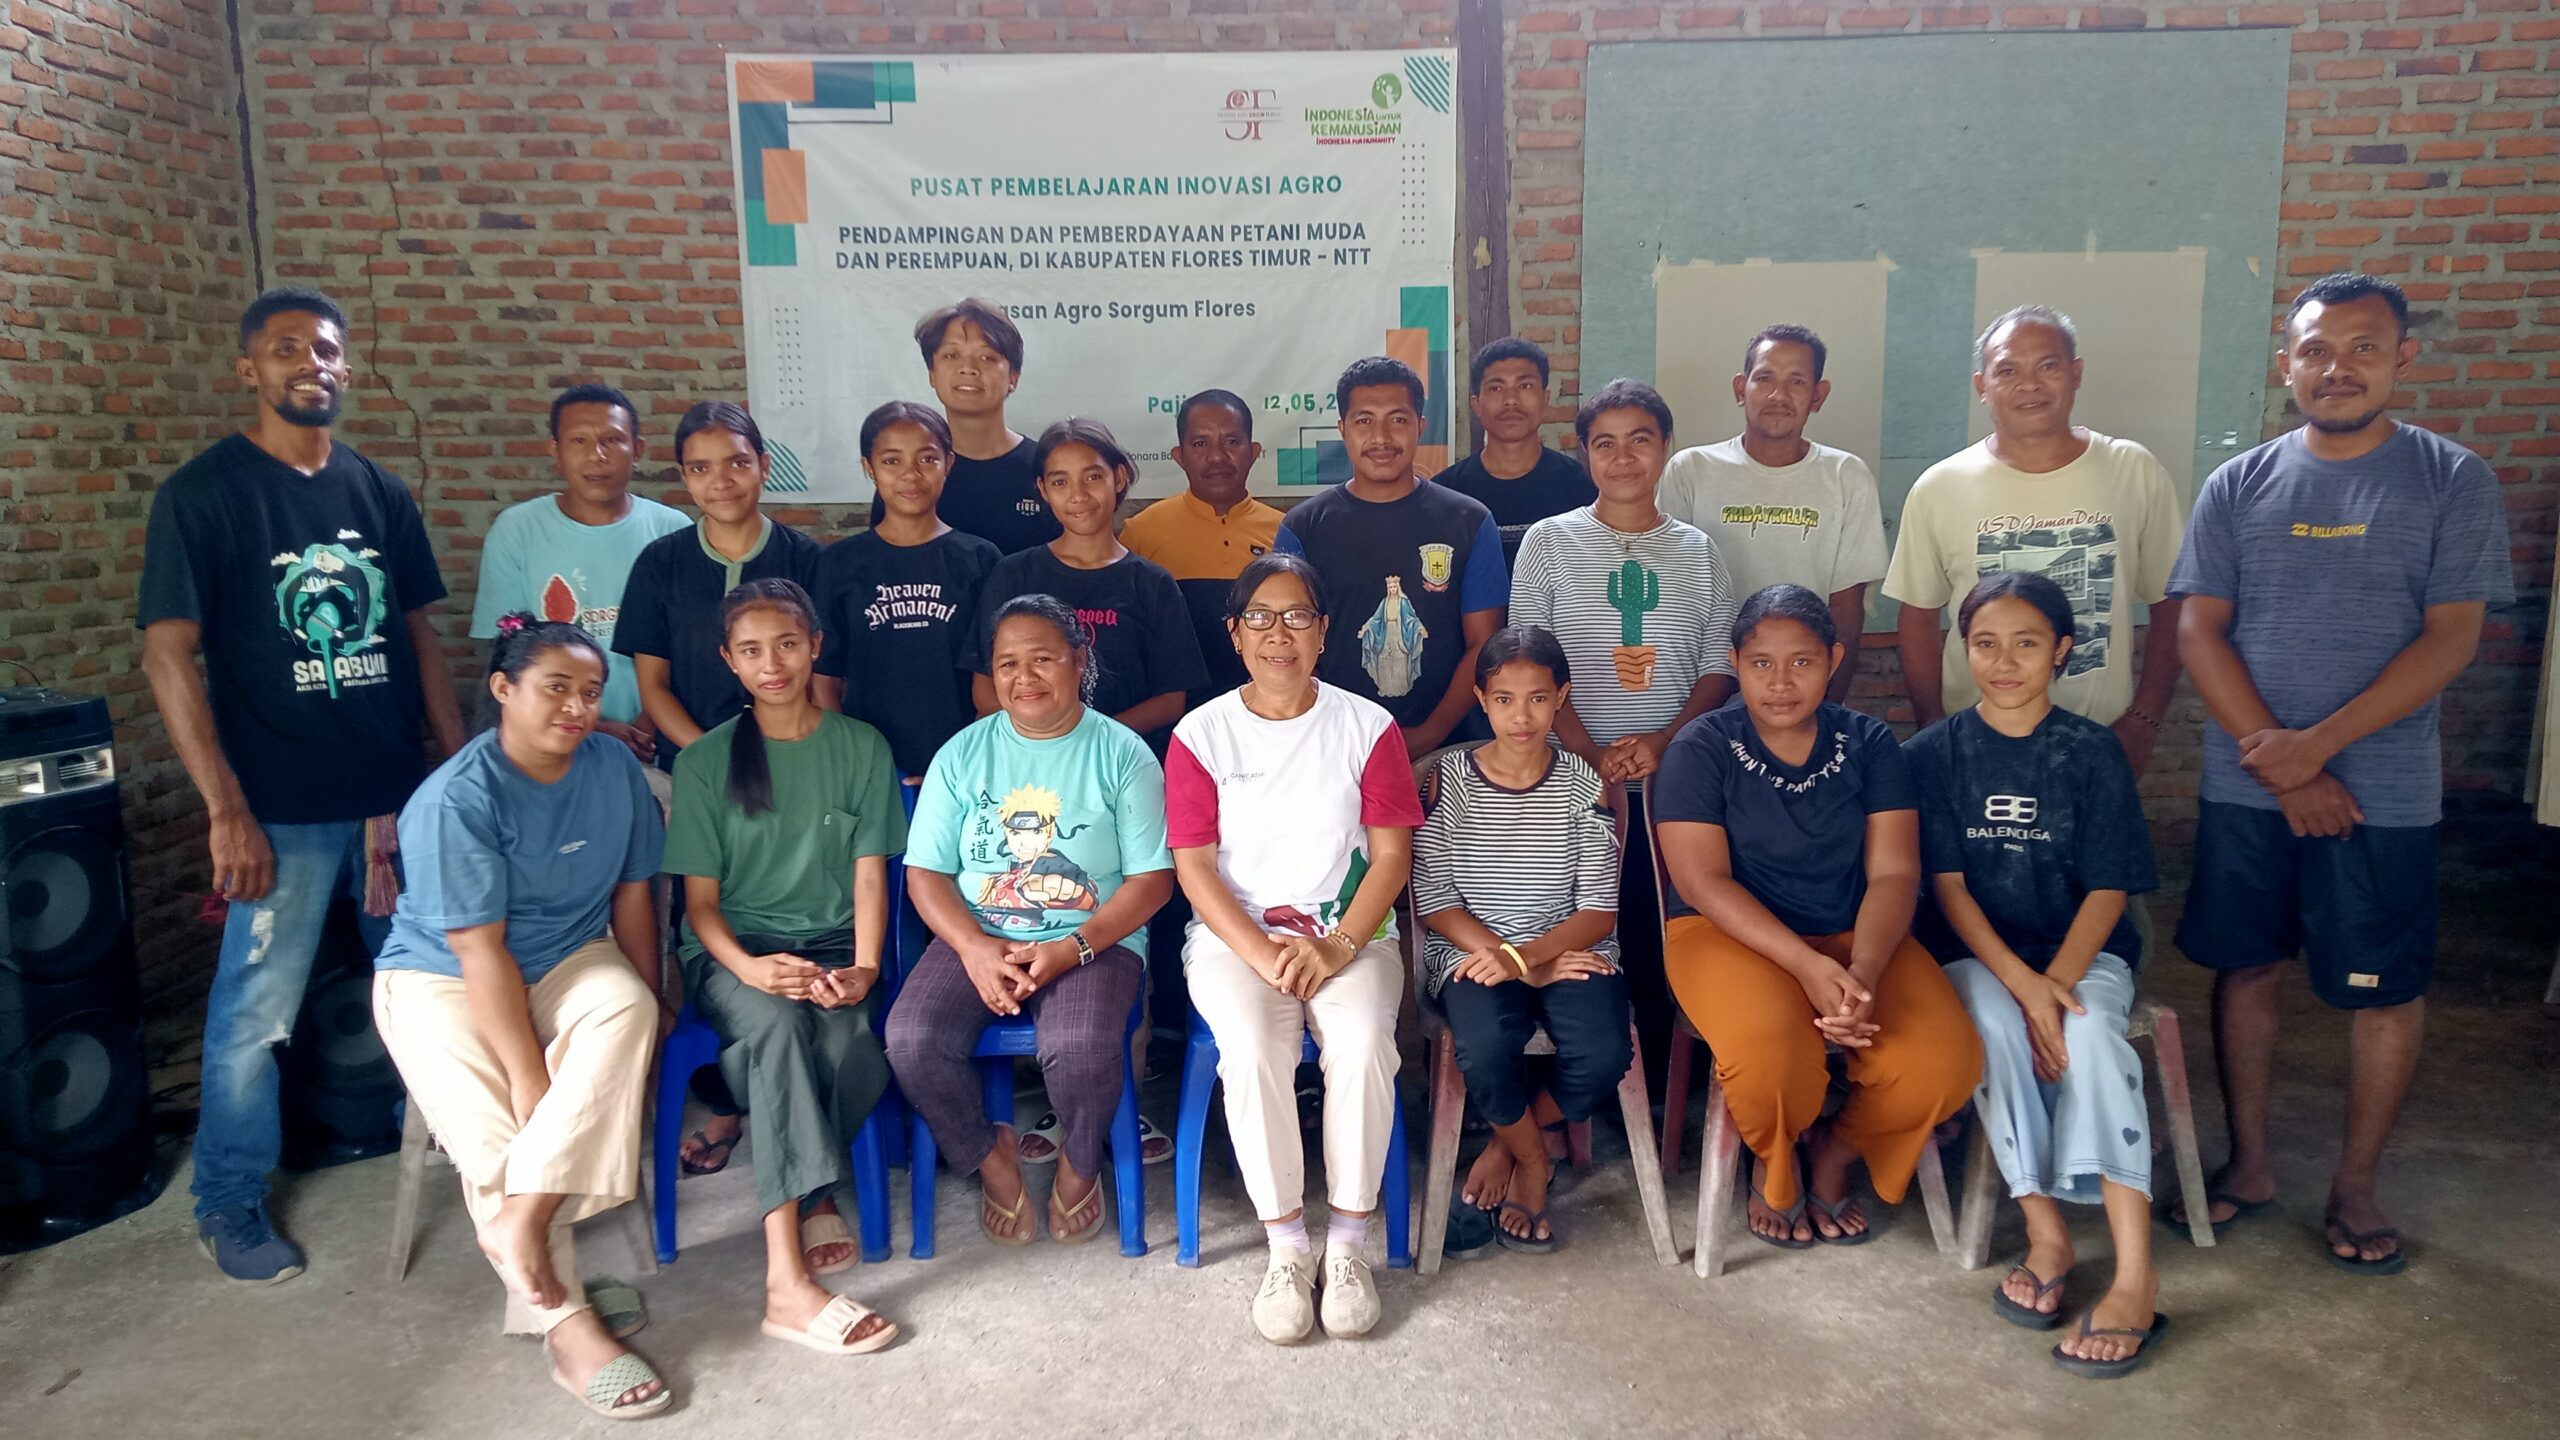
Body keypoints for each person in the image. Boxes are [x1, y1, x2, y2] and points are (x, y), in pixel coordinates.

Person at [2168, 271, 2513, 1276]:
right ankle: (2251, 1166)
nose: (2337, 368)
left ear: (2403, 359)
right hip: (2250, 784)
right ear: (2287, 363)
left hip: (2384, 792)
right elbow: (2198, 630)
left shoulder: (2453, 480)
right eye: (2316, 350)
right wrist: (2282, 765)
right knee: (2246, 965)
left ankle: (2355, 1184)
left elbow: (2450, 639)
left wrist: (2315, 748)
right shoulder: (2239, 484)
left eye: (2363, 348)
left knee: (2381, 987)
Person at [139, 286, 465, 1283]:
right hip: (277, 813)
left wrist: (455, 774)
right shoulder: (204, 495)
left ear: (346, 367)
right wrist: (225, 809)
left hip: (392, 808)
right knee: (254, 1017)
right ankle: (228, 1199)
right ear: (249, 369)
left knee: (438, 988)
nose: (308, 365)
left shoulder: (378, 491)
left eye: (324, 349)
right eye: (285, 349)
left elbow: (418, 637)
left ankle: (470, 1148)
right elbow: (167, 655)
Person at [369, 616, 672, 1420]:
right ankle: (567, 1325)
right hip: (441, 974)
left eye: (590, 692)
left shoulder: (613, 767)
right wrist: (529, 1075)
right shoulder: (456, 799)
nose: (577, 708)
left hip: (570, 953)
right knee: (501, 1121)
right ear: (504, 688)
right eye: (556, 688)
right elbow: (479, 953)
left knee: (624, 1008)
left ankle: (520, 1224)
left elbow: (633, 895)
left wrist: (652, 1007)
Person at [1653, 585, 1982, 1248]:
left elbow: (1894, 873)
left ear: (1833, 659)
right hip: (1725, 935)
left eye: (1801, 662)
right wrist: (1806, 966)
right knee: (1769, 1056)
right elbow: (1702, 880)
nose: (1780, 683)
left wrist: (1863, 969)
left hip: (1856, 932)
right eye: (1761, 663)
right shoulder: (1701, 746)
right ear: (1735, 663)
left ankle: (1837, 1151)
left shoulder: (1869, 743)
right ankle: (1775, 1167)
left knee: (1943, 1064)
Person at [1908, 572, 2165, 1377]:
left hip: (2083, 952)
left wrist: (2055, 986)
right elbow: (1948, 889)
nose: (2004, 661)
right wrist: (2025, 989)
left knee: (2089, 1035)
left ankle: (2136, 1275)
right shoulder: (1934, 755)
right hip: (1980, 954)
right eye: (1985, 643)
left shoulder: (2092, 752)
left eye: (2026, 643)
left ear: (2061, 651)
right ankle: (2047, 1233)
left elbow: (2109, 888)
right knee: (1992, 1022)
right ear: (1963, 649)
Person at [1164, 552, 1423, 1344]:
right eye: (1260, 618)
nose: (1279, 633)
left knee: (1363, 1042)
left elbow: (1391, 858)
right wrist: (1258, 951)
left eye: (1297, 616)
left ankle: (1346, 1246)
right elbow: (1194, 868)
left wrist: (1339, 946)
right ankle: (1286, 1248)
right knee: (1249, 1050)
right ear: (1235, 634)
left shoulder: (1367, 727)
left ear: (1323, 631)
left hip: (1352, 934)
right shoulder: (1201, 735)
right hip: (1235, 941)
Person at [885, 594, 1173, 1247]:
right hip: (978, 935)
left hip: (1094, 939)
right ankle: (990, 1156)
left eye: (1042, 659)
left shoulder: (1123, 754)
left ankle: (1079, 1162)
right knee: (911, 1038)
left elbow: (1153, 880)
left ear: (1079, 659)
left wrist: (1071, 948)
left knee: (1082, 1046)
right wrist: (973, 947)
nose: (1024, 678)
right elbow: (926, 873)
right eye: (1007, 664)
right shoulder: (962, 754)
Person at [662, 579, 904, 1356]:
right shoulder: (705, 762)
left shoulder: (861, 747)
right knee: (775, 1029)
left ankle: (810, 1188)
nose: (773, 665)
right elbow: (700, 906)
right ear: (729, 660)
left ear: (815, 647)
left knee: (849, 1041)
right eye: (752, 650)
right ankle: (784, 1281)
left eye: (788, 645)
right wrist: (752, 968)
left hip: (836, 944)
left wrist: (865, 967)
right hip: (736, 951)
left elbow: (870, 878)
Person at [615, 399, 822, 1172]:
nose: (722, 480)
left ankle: (804, 1084)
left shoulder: (805, 557)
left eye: (737, 462)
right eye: (700, 468)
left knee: (797, 917)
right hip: (696, 772)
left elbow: (821, 677)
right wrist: (713, 759)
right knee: (703, 932)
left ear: (764, 465)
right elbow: (654, 684)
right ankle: (728, 1102)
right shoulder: (661, 564)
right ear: (682, 477)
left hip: (797, 772)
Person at [1884, 305, 2188, 772]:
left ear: (2076, 373)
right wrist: (1932, 726)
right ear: (1982, 386)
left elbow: (2172, 603)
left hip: (2103, 744)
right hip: (1976, 748)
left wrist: (2144, 719)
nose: (2029, 385)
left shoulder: (2133, 470)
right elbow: (1918, 615)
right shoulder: (1940, 487)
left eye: (2048, 366)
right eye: (2008, 371)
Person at [1413, 625, 1626, 1255]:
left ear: (1562, 697)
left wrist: (1529, 957)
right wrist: (1511, 961)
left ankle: (1507, 1146)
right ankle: (1534, 1162)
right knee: (1485, 1046)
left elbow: (1598, 911)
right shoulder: (1449, 779)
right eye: (1504, 699)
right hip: (1472, 954)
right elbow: (1435, 899)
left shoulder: (1585, 783)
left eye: (1538, 698)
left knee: (1604, 1053)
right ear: (1482, 700)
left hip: (1568, 950)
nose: (1522, 716)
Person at [1275, 355, 1508, 758]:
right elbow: (1289, 641)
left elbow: (1483, 642)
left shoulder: (1469, 521)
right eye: (1364, 421)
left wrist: (1430, 734)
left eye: (1397, 420)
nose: (1381, 437)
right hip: (1333, 746)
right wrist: (1337, 731)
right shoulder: (1304, 526)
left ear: (1420, 426)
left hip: (1449, 749)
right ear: (1343, 429)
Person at [1514, 378, 1738, 787]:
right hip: (1567, 779)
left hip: (1676, 777)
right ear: (1585, 452)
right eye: (1605, 444)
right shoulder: (1547, 541)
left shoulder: (1699, 550)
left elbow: (1719, 667)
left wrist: (1666, 740)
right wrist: (1588, 754)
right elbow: (1528, 664)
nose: (1623, 458)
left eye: (1639, 440)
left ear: (1665, 444)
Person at [471, 383, 691, 788]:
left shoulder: (672, 530)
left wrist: (650, 721)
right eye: (579, 441)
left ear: (638, 450)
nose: (597, 455)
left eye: (612, 440)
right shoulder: (518, 530)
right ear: (555, 452)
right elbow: (506, 656)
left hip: (659, 743)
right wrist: (591, 726)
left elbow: (688, 647)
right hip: (552, 744)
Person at [1659, 324, 1887, 704]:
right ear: (1740, 388)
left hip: (1799, 692)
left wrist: (1824, 711)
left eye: (1797, 381)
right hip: (1703, 689)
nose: (1778, 395)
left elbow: (1847, 613)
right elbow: (1673, 595)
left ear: (1818, 395)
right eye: (1765, 378)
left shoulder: (1846, 476)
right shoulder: (1691, 470)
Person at [969, 417, 1210, 747]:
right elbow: (985, 691)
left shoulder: (1153, 583)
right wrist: (1047, 741)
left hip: (1121, 760)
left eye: (1093, 477)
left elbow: (1170, 701)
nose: (1078, 494)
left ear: (1119, 477)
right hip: (1030, 759)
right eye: (1060, 482)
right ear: (1043, 490)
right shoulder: (1013, 574)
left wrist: (1089, 740)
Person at [811, 401, 1000, 785]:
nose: (910, 475)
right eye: (892, 461)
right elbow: (824, 678)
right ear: (869, 468)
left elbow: (997, 677)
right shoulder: (839, 563)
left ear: (949, 463)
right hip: (868, 766)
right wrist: (851, 759)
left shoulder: (980, 559)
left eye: (927, 459)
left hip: (964, 763)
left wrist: (965, 764)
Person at [1122, 388, 1284, 699]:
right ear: (1179, 456)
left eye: (1231, 442)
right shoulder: (1141, 532)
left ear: (1253, 452)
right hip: (1171, 714)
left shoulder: (1286, 531)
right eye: (1200, 443)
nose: (1217, 457)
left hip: (1265, 709)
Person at [866, 298, 1058, 554]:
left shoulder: (1045, 468)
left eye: (987, 357)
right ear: (932, 373)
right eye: (951, 355)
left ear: (1013, 377)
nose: (968, 368)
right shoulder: (911, 477)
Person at [1432, 337, 1595, 567]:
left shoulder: (1582, 487)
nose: (1510, 400)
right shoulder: (1446, 493)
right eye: (1496, 388)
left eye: (1525, 386)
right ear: (1476, 404)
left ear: (1545, 399)